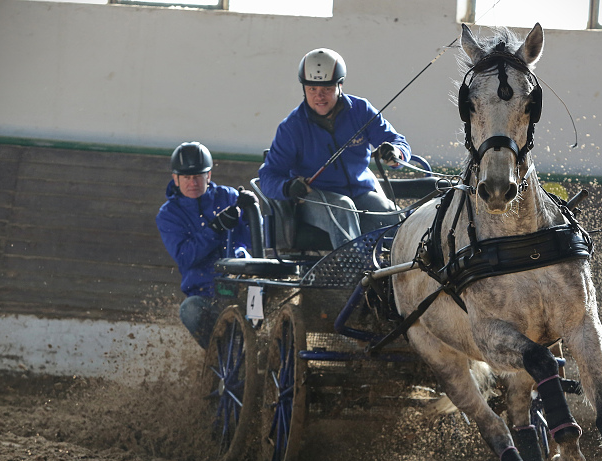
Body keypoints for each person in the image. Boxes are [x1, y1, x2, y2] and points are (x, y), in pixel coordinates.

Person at [258, 48, 411, 249]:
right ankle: (356, 274)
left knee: (393, 215)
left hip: (361, 191)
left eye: (327, 89)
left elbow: (397, 141)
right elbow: (269, 177)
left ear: (340, 85)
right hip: (317, 197)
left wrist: (395, 152)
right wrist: (287, 187)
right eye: (312, 89)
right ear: (303, 88)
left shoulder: (361, 111)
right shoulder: (292, 127)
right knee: (342, 207)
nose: (319, 96)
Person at [156, 141, 256, 348]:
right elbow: (185, 256)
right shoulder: (169, 215)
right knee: (190, 310)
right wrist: (215, 228)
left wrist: (253, 211)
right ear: (175, 179)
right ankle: (221, 357)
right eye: (186, 177)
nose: (192, 182)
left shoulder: (229, 197)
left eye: (198, 177)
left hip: (243, 284)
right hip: (206, 295)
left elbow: (255, 239)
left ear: (208, 176)